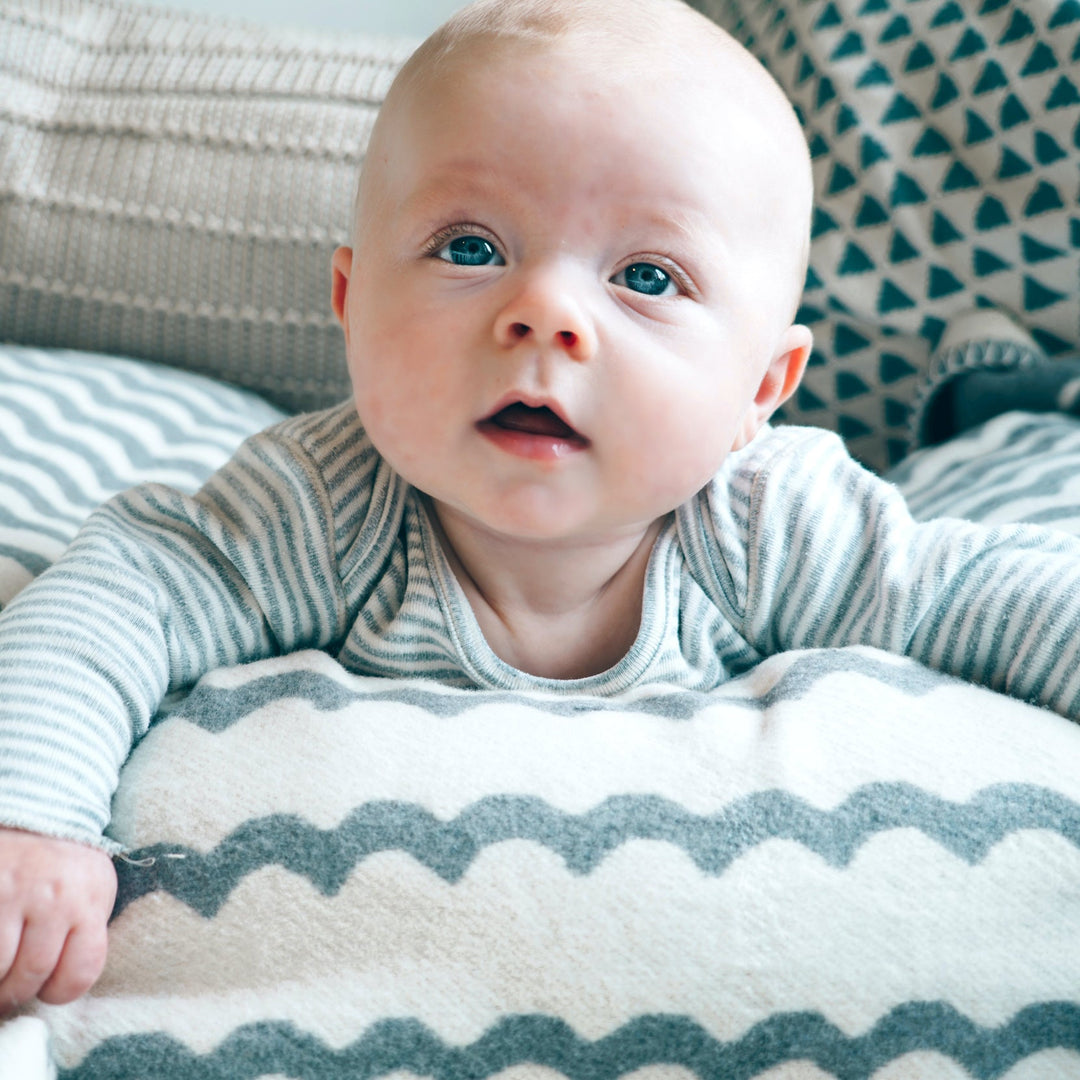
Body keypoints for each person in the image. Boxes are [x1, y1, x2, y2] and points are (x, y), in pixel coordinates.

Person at [1, 0, 1079, 1014]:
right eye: (471, 249)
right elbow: (121, 591)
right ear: (350, 301)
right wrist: (32, 816)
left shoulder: (771, 521)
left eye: (649, 277)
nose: (546, 315)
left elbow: (991, 595)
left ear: (761, 391)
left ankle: (993, 396)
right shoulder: (323, 503)